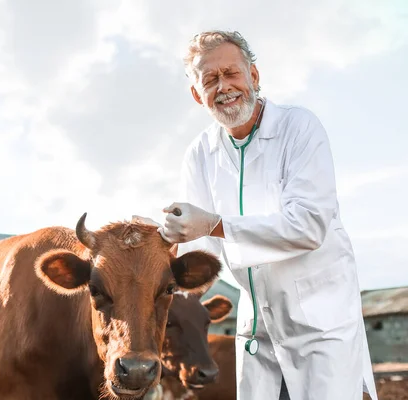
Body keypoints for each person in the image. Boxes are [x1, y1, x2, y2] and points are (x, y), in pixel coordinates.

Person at [137, 31, 378, 400]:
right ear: (196, 94)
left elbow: (310, 225)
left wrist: (216, 224)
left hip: (320, 326)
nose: (225, 87)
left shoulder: (299, 128)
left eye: (232, 73)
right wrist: (158, 255)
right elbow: (202, 255)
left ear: (254, 75)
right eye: (210, 80)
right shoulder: (200, 154)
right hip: (257, 332)